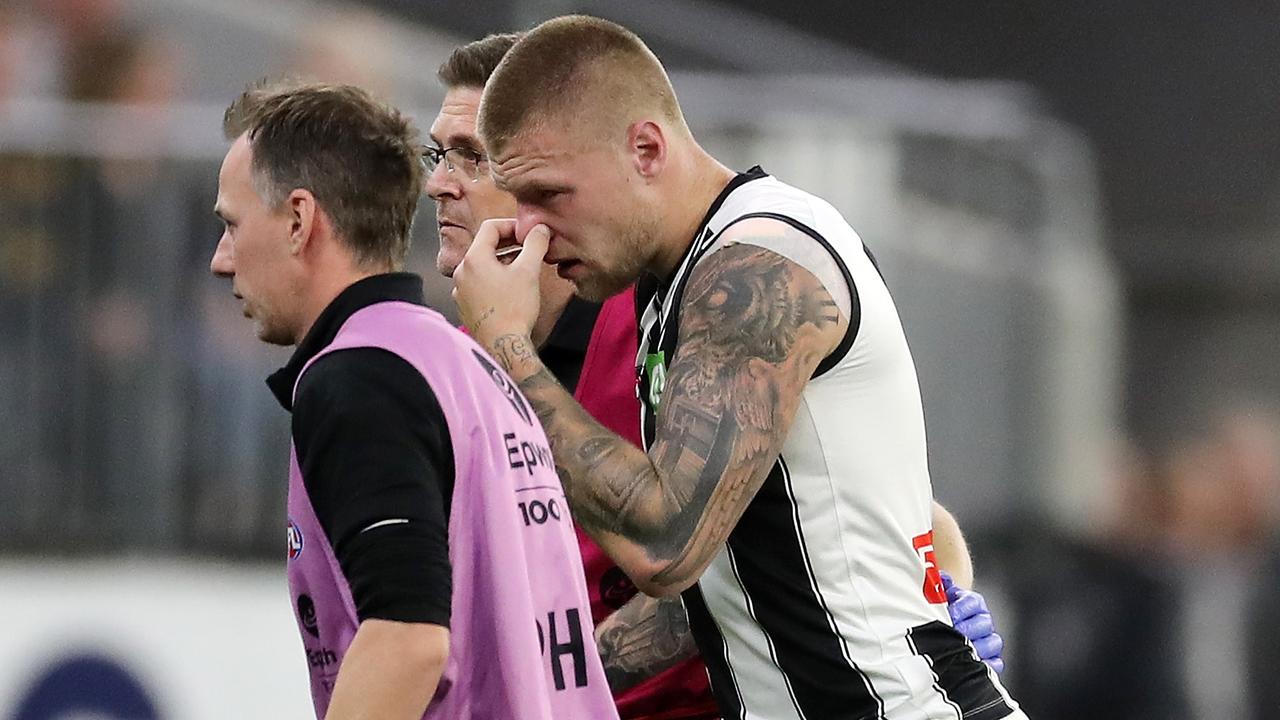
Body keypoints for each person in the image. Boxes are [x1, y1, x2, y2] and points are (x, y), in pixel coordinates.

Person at [452, 17, 1024, 720]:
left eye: (549, 194)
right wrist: (513, 682)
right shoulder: (673, 285)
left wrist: (505, 349)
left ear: (646, 148)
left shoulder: (756, 268)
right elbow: (718, 593)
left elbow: (664, 544)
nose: (531, 228)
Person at [209, 80, 618, 720]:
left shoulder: (358, 379)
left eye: (232, 226)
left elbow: (408, 639)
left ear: (298, 220)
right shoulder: (463, 362)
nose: (221, 260)